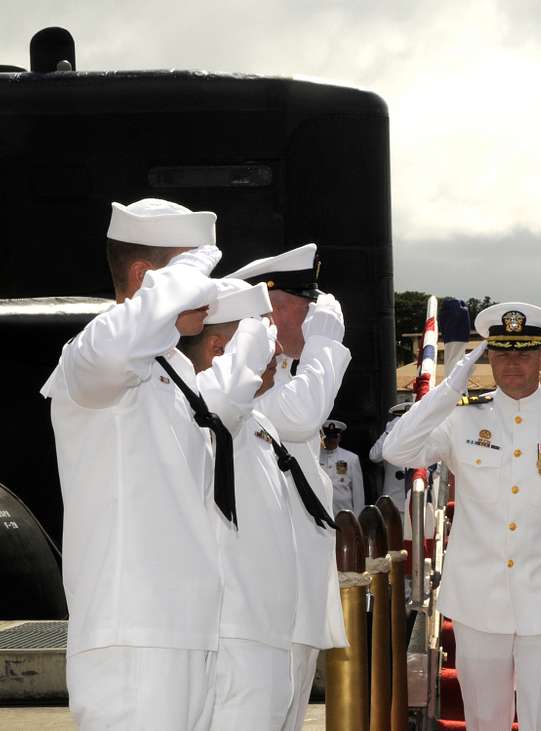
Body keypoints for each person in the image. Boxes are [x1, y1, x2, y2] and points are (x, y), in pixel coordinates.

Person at [382, 302, 541, 731]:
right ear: (489, 357)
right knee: (484, 721)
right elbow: (396, 450)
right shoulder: (461, 417)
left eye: (524, 352)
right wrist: (448, 391)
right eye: (503, 352)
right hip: (477, 600)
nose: (513, 363)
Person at [41, 198, 223, 730]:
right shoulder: (95, 355)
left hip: (184, 627)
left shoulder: (173, 371)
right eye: (196, 274)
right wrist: (177, 279)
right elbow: (112, 351)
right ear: (147, 277)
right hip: (134, 636)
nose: (209, 291)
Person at [226, 244, 351, 730]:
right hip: (260, 599)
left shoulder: (281, 377)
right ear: (272, 311)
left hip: (296, 590)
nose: (317, 316)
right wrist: (327, 345)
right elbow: (300, 418)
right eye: (308, 308)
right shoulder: (239, 387)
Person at [178, 279, 297, 730]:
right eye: (263, 337)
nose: (275, 351)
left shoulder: (254, 420)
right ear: (218, 348)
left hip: (266, 633)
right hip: (233, 639)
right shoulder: (201, 414)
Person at [370, 400, 413, 514]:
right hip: (393, 504)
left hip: (416, 502)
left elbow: (435, 470)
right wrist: (389, 432)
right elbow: (374, 456)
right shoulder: (390, 440)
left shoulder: (421, 438)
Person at [321, 419, 366, 516]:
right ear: (323, 437)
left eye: (334, 437)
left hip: (343, 513)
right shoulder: (315, 456)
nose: (331, 440)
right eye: (328, 437)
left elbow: (358, 492)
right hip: (322, 511)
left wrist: (357, 519)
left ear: (339, 437)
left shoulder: (351, 458)